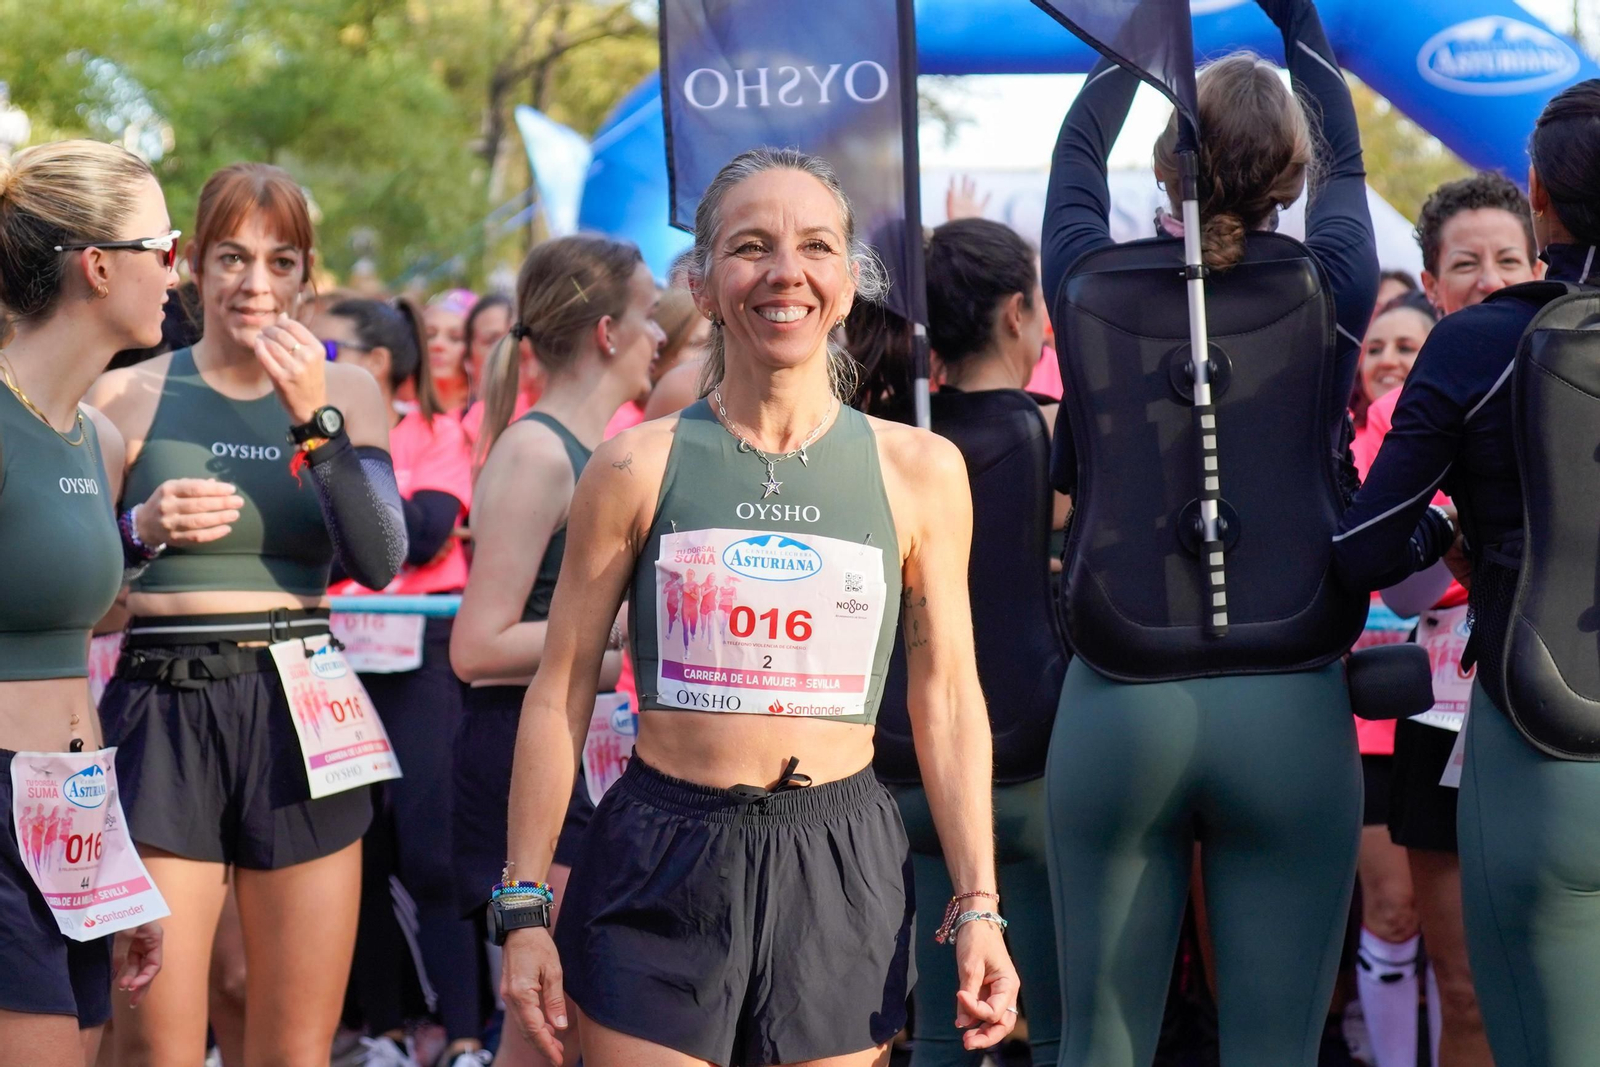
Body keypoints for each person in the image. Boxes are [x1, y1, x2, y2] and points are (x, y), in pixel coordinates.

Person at [497, 148, 1019, 1066]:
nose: (786, 272)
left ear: (848, 284)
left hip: (840, 859)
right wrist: (525, 905)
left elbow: (947, 699)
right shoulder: (633, 466)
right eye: (752, 246)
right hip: (662, 856)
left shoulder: (923, 471)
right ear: (701, 286)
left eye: (816, 246)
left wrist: (978, 903)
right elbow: (561, 688)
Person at [1041, 0, 1380, 1062]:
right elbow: (1352, 163)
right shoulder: (1333, 286)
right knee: (1275, 1047)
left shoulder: (1085, 285)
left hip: (1118, 701)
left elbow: (1072, 155)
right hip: (1290, 698)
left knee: (1097, 1044)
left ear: (1163, 170)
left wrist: (1144, 26)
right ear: (1290, 171)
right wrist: (1299, 19)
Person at [87, 162, 406, 1067]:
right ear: (192, 266)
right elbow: (91, 606)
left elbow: (379, 560)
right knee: (156, 1037)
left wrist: (317, 417)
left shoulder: (349, 392)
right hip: (164, 702)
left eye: (279, 261)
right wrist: (138, 530)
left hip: (306, 708)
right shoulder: (126, 396)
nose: (254, 285)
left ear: (309, 274)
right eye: (231, 257)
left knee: (292, 1044)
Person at [1331, 82, 1600, 1067]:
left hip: (1537, 737)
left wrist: (1452, 522)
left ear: (1537, 198)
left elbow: (1366, 546)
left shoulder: (1480, 340)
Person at [448, 234, 660, 1065]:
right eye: (649, 317)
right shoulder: (538, 452)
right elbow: (477, 643)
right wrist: (615, 635)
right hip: (516, 746)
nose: (661, 339)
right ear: (607, 332)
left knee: (557, 1027)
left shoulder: (580, 448)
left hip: (567, 743)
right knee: (548, 1028)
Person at [873, 217, 1068, 1067]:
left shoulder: (883, 443)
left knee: (937, 1025)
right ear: (1020, 312)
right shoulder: (1055, 434)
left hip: (898, 756)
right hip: (1030, 761)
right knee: (1057, 1019)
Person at [1357, 172, 1539, 1067]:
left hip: (1565, 707)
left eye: (1509, 258)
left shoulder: (1575, 380)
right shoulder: (1412, 408)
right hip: (1445, 710)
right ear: (1431, 285)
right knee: (1466, 989)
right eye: (1465, 263)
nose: (1488, 278)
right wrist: (1455, 543)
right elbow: (1401, 590)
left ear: (1541, 266)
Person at [0, 138, 167, 1067]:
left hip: (75, 808)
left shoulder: (95, 434)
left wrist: (114, 868)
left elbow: (76, 619)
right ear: (99, 266)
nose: (172, 272)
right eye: (165, 246)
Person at [311, 296, 484, 1067]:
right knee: (359, 851)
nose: (311, 355)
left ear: (375, 363)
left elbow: (422, 533)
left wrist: (359, 521)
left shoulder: (438, 432)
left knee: (431, 852)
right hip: (334, 652)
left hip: (420, 651)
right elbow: (342, 537)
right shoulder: (311, 435)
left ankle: (465, 1032)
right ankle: (381, 1027)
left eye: (329, 345)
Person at [425, 289, 475, 416]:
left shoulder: (484, 415)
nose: (438, 345)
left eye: (455, 337)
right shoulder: (400, 408)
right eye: (429, 335)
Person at [464, 292, 514, 401]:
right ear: (468, 355)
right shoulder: (451, 417)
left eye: (514, 338)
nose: (507, 348)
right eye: (492, 340)